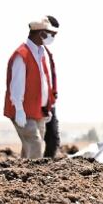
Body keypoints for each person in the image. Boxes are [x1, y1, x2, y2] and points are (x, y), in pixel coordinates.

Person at [4, 17, 57, 161]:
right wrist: (19, 110)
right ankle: (35, 178)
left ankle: (24, 177)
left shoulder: (40, 54)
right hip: (24, 111)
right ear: (40, 33)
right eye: (49, 33)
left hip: (38, 110)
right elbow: (16, 85)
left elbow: (44, 82)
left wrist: (47, 106)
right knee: (35, 144)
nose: (52, 37)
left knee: (30, 146)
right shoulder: (22, 55)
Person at [43, 15, 60, 159]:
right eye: (52, 34)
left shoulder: (46, 53)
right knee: (35, 140)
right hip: (38, 103)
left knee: (53, 138)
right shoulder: (32, 52)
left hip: (49, 103)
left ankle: (45, 166)